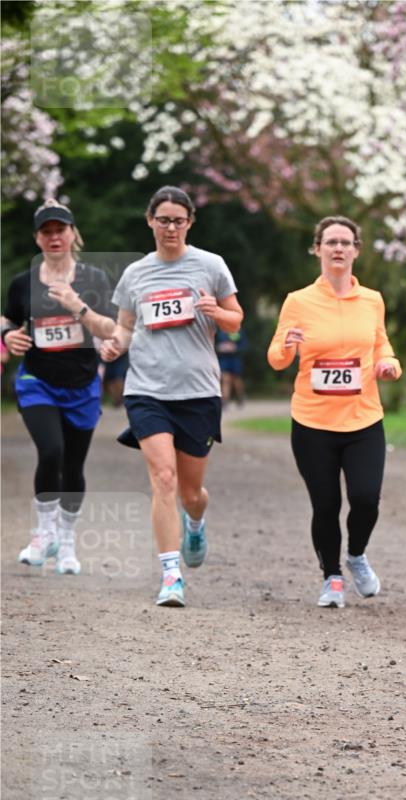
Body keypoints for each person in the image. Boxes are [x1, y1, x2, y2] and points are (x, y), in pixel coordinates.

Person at [101, 186, 243, 607]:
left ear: (190, 223)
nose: (170, 227)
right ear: (150, 221)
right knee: (163, 478)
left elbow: (236, 320)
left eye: (178, 220)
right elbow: (126, 326)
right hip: (147, 390)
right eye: (163, 219)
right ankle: (170, 575)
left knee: (189, 492)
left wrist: (217, 313)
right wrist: (114, 345)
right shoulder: (136, 274)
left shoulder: (211, 266)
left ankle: (195, 522)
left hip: (198, 391)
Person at [267, 216, 401, 608]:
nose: (338, 248)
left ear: (357, 249)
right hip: (313, 422)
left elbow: (382, 346)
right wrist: (286, 346)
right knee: (325, 504)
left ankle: (356, 555)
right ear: (318, 249)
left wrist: (390, 365)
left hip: (363, 418)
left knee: (365, 499)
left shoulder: (372, 300)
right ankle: (332, 578)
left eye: (345, 242)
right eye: (331, 242)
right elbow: (276, 359)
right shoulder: (299, 301)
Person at [1, 199, 115, 573]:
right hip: (38, 381)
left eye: (59, 230)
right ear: (37, 238)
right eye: (46, 231)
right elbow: (7, 320)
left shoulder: (94, 279)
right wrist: (7, 337)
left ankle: (66, 544)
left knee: (72, 464)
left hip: (81, 384)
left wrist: (77, 306)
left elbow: (108, 330)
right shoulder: (23, 283)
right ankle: (42, 533)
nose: (53, 237)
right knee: (50, 451)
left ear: (72, 234)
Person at [215, 326, 246, 406]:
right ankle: (225, 400)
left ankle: (240, 397)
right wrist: (220, 348)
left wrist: (235, 348)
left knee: (236, 380)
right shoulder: (220, 332)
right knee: (225, 379)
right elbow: (214, 345)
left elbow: (244, 345)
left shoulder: (238, 331)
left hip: (235, 359)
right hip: (224, 359)